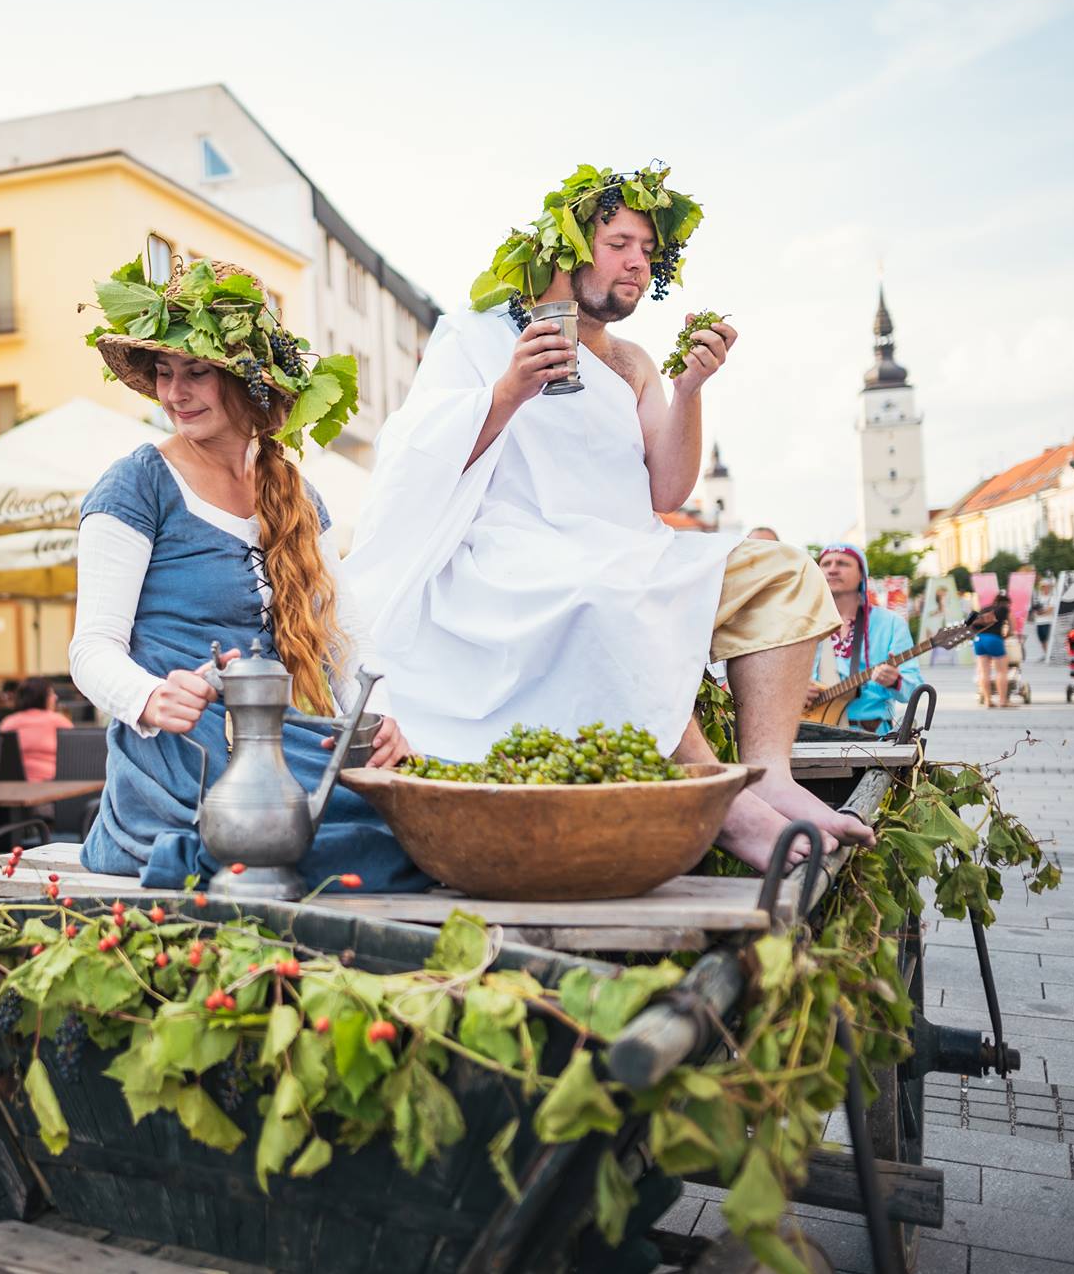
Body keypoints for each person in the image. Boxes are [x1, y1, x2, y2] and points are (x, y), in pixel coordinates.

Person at [345, 161, 872, 871]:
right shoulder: (482, 334)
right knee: (616, 597)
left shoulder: (630, 361)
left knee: (783, 570)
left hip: (630, 546)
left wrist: (689, 390)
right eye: (620, 241)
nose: (636, 262)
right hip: (516, 552)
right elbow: (414, 454)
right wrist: (507, 391)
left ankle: (771, 772)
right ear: (566, 245)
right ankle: (725, 805)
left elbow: (668, 490)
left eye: (648, 252)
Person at [71, 255, 425, 891]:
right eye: (164, 372)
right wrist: (149, 697)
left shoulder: (295, 493)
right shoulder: (138, 484)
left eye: (197, 372)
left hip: (276, 747)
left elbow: (348, 643)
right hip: (181, 766)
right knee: (383, 840)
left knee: (429, 801)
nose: (174, 393)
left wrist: (378, 721)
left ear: (248, 381)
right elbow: (91, 649)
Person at [807, 545, 922, 732]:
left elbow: (913, 689)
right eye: (826, 564)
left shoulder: (891, 623)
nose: (832, 569)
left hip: (871, 739)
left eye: (843, 563)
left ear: (862, 575)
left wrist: (895, 680)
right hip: (811, 733)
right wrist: (796, 692)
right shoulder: (803, 625)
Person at [0, 676, 75, 783]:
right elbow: (75, 756)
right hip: (55, 785)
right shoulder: (60, 722)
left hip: (14, 788)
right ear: (43, 697)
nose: (55, 697)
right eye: (51, 693)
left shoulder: (8, 723)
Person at [971, 594, 1016, 707]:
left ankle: (987, 700)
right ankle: (1003, 701)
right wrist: (1006, 636)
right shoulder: (1004, 609)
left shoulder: (984, 609)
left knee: (984, 672)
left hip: (978, 639)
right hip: (993, 639)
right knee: (1001, 671)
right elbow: (1012, 627)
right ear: (1006, 603)